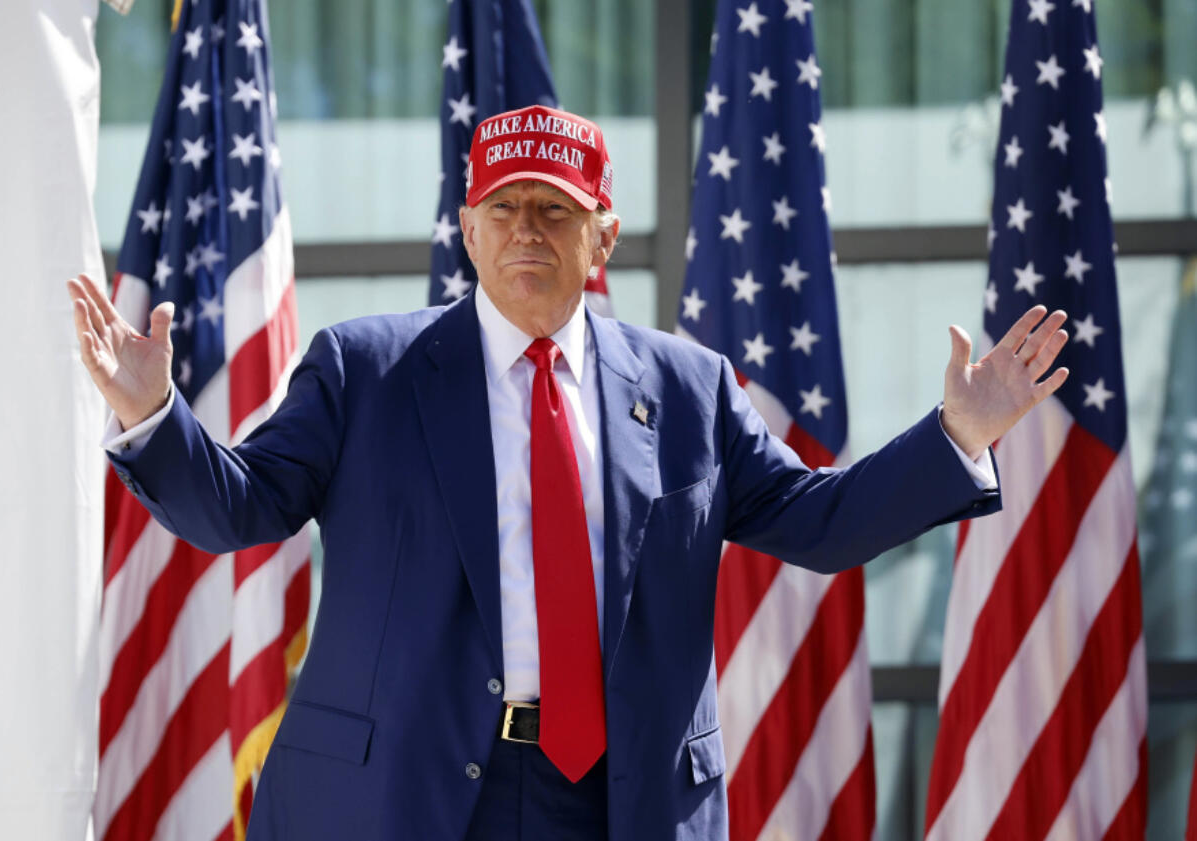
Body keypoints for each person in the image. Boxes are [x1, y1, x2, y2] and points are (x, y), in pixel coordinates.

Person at [67, 104, 1069, 841]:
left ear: (603, 236)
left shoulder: (687, 388)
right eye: (503, 208)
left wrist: (956, 432)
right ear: (465, 229)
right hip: (401, 793)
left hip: (616, 798)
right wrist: (150, 415)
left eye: (555, 210)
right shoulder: (365, 369)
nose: (527, 232)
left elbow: (819, 521)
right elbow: (237, 508)